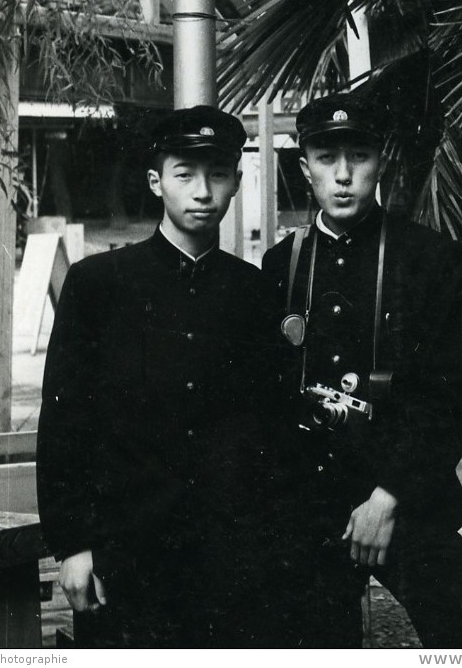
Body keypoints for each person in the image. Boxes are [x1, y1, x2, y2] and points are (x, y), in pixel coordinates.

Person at [36, 106, 282, 648]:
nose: (202, 191)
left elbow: (270, 430)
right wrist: (73, 545)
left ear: (237, 183)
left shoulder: (255, 293)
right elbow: (65, 422)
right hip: (125, 556)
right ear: (155, 182)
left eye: (218, 173)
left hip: (230, 559)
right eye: (184, 174)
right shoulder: (99, 285)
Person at [261, 91, 462, 649]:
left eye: (359, 157)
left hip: (406, 497)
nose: (343, 176)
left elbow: (454, 400)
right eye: (326, 158)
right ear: (304, 168)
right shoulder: (282, 265)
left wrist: (388, 497)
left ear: (381, 161)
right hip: (312, 508)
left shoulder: (428, 259)